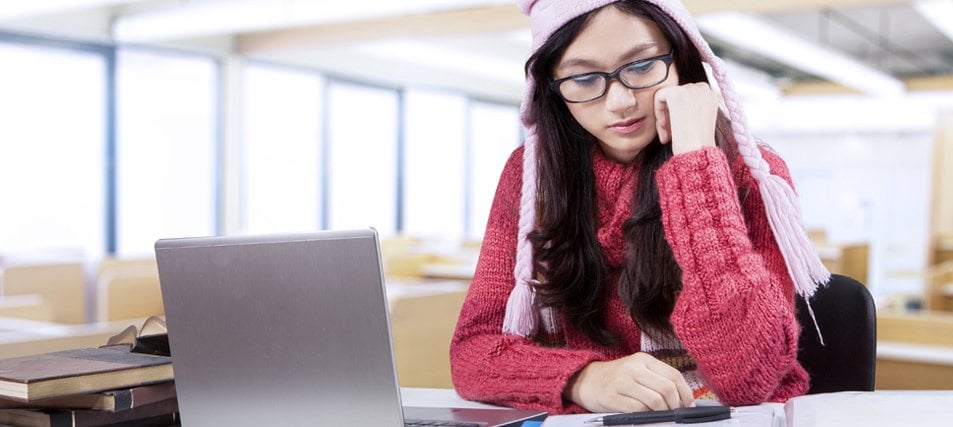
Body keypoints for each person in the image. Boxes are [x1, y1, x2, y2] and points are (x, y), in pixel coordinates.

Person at [449, 0, 832, 415]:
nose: (620, 102)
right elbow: (473, 353)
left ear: (681, 61)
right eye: (582, 78)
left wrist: (696, 160)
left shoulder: (752, 172)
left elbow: (748, 375)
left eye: (642, 67)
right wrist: (585, 378)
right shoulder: (532, 178)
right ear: (553, 89)